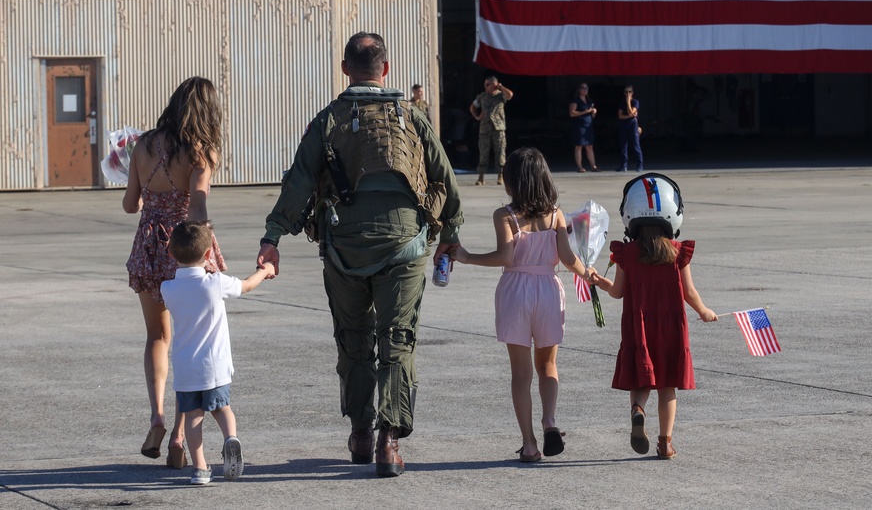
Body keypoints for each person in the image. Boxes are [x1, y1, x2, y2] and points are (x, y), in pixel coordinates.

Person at [256, 31, 463, 478]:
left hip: (343, 247)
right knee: (397, 339)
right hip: (405, 247)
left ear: (346, 69)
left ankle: (361, 434)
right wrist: (450, 234)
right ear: (385, 70)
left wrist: (272, 238)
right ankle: (389, 443)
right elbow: (444, 176)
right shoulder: (412, 116)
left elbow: (298, 180)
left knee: (353, 338)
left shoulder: (328, 119)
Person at [451, 147, 592, 463]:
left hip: (516, 291)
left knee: (521, 374)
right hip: (548, 289)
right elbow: (569, 259)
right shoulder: (555, 213)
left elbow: (506, 257)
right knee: (548, 366)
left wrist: (467, 256)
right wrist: (589, 274)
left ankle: (529, 445)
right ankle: (550, 421)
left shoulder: (505, 215)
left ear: (512, 181)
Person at [123, 76, 226, 469]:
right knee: (190, 340)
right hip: (185, 249)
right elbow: (197, 210)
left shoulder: (144, 145)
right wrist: (206, 250)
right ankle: (180, 439)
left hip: (148, 247)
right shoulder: (201, 151)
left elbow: (130, 205)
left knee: (157, 336)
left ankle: (157, 419)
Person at [588, 174, 717, 460]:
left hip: (639, 326)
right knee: (668, 385)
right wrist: (705, 311)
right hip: (671, 328)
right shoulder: (677, 253)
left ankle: (637, 410)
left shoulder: (628, 253)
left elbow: (618, 292)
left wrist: (600, 282)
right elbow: (689, 292)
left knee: (642, 379)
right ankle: (665, 443)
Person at [160, 221, 275, 485]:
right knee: (222, 408)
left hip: (186, 367)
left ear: (170, 253)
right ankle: (230, 439)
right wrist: (264, 270)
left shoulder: (168, 289)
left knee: (192, 417)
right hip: (215, 365)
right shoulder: (215, 283)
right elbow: (246, 286)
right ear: (209, 254)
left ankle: (200, 469)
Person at [469, 75, 513, 186]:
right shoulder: (482, 96)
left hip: (498, 129)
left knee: (500, 153)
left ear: (494, 85)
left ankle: (501, 176)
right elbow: (472, 107)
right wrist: (477, 117)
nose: (485, 86)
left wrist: (501, 87)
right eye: (485, 84)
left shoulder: (500, 96)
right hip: (485, 129)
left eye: (488, 84)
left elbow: (510, 95)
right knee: (483, 153)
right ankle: (481, 177)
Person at [568, 83, 599, 173]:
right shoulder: (575, 100)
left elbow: (592, 115)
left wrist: (593, 112)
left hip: (588, 126)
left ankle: (593, 166)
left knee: (589, 146)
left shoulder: (589, 101)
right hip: (579, 126)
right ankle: (580, 166)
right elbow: (572, 113)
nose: (585, 90)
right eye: (583, 88)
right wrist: (584, 112)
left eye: (586, 88)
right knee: (579, 146)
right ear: (579, 90)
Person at [617, 86, 643, 172]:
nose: (628, 94)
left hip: (633, 125)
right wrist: (629, 116)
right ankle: (623, 165)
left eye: (629, 92)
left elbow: (630, 111)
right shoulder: (621, 102)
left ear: (632, 93)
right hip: (624, 126)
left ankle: (639, 165)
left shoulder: (635, 102)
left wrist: (628, 101)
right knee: (623, 146)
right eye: (626, 92)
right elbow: (620, 116)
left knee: (636, 145)